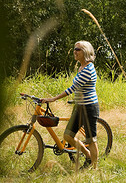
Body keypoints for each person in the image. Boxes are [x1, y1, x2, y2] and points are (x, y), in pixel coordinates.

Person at [41, 41, 99, 169]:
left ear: (85, 52)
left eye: (77, 49)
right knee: (67, 135)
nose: (75, 51)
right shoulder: (81, 67)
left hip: (89, 108)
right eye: (74, 49)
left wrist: (54, 99)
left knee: (91, 140)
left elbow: (72, 88)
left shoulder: (88, 69)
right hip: (79, 106)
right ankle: (88, 155)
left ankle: (95, 169)